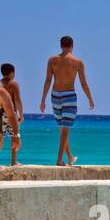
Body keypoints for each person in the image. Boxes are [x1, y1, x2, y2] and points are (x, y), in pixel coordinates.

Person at [39, 35, 94, 166]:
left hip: (55, 95)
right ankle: (59, 160)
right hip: (69, 95)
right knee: (65, 129)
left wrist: (43, 100)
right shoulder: (77, 62)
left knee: (62, 129)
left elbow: (47, 80)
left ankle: (69, 157)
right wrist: (90, 99)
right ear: (72, 46)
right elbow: (83, 84)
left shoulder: (52, 60)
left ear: (60, 45)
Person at [0, 63, 24, 166]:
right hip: (11, 114)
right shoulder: (14, 84)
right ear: (11, 73)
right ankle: (14, 161)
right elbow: (17, 100)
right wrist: (21, 114)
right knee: (15, 136)